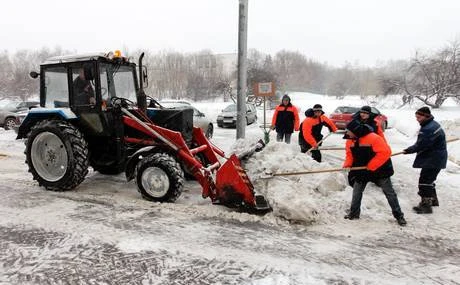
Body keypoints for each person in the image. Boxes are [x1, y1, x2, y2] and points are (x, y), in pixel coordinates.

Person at [342, 120, 406, 226]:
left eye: (348, 131)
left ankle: (399, 216)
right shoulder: (350, 140)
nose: (346, 133)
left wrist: (371, 166)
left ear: (355, 131)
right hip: (361, 169)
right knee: (357, 191)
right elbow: (349, 155)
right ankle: (354, 213)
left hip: (380, 169)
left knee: (389, 193)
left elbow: (385, 152)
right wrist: (347, 165)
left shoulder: (374, 138)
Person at [403, 106, 447, 214]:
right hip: (437, 157)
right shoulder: (433, 124)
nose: (417, 119)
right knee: (429, 179)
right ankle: (433, 200)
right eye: (416, 117)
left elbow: (421, 145)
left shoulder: (428, 129)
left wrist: (409, 150)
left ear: (425, 116)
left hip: (432, 158)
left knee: (425, 181)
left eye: (418, 117)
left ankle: (426, 206)